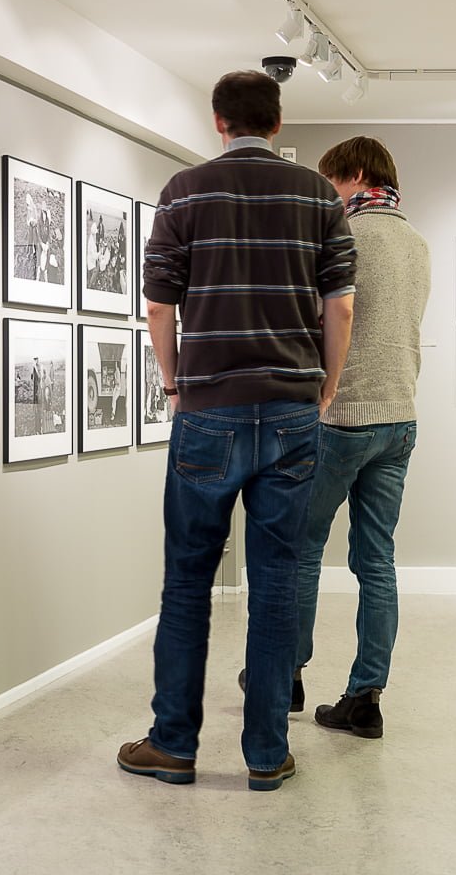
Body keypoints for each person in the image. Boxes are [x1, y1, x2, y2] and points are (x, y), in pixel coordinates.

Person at [118, 70, 356, 793]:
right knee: (279, 582)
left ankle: (175, 745)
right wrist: (326, 386)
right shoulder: (318, 196)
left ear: (218, 121)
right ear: (277, 123)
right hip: (290, 408)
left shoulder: (184, 191)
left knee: (188, 581)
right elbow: (339, 307)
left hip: (207, 409)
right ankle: (265, 752)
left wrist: (172, 383)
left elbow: (160, 307)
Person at [290, 136, 431, 741]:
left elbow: (335, 316)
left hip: (344, 416)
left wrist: (320, 393)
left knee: (299, 547)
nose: (327, 194)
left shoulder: (344, 236)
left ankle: (284, 674)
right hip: (400, 420)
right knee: (376, 560)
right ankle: (366, 695)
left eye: (330, 182)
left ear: (354, 175)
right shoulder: (417, 242)